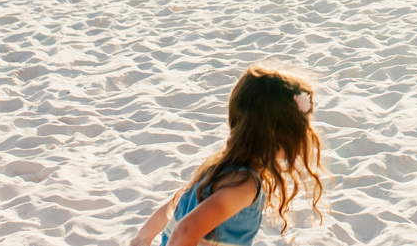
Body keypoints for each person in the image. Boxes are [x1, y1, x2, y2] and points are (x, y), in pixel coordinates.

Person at [128, 64, 328, 246]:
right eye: (300, 129)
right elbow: (185, 231)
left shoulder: (217, 168)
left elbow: (175, 205)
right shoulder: (244, 186)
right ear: (278, 134)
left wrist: (143, 238)